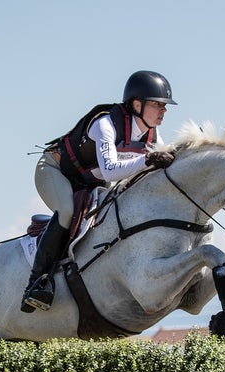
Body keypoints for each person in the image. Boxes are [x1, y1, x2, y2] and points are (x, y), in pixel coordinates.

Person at [21, 70, 178, 313]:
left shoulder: (153, 135)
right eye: (157, 104)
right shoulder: (106, 124)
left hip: (90, 182)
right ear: (137, 104)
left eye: (164, 106)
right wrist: (148, 161)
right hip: (55, 171)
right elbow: (110, 171)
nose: (163, 110)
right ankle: (37, 283)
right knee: (67, 212)